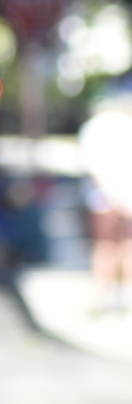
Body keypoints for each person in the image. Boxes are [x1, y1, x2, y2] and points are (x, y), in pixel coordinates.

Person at [79, 99, 132, 314]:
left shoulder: (94, 128)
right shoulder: (124, 125)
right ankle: (121, 293)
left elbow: (92, 165)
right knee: (124, 246)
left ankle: (103, 295)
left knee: (105, 247)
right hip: (122, 196)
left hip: (103, 198)